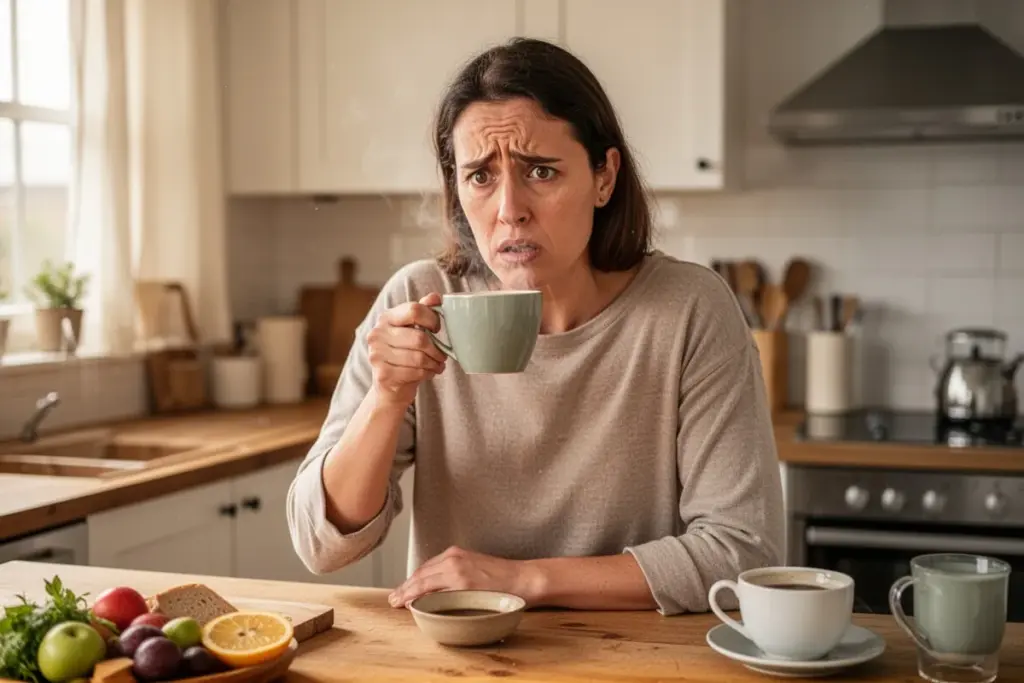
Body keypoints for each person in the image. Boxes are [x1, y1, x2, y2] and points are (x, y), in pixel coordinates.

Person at [286, 37, 784, 616]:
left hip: (637, 653)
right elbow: (320, 545)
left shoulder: (689, 310)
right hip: (463, 651)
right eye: (480, 176)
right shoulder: (419, 301)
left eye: (541, 171)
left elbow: (742, 552)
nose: (509, 210)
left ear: (604, 177)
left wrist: (521, 579)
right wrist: (387, 397)